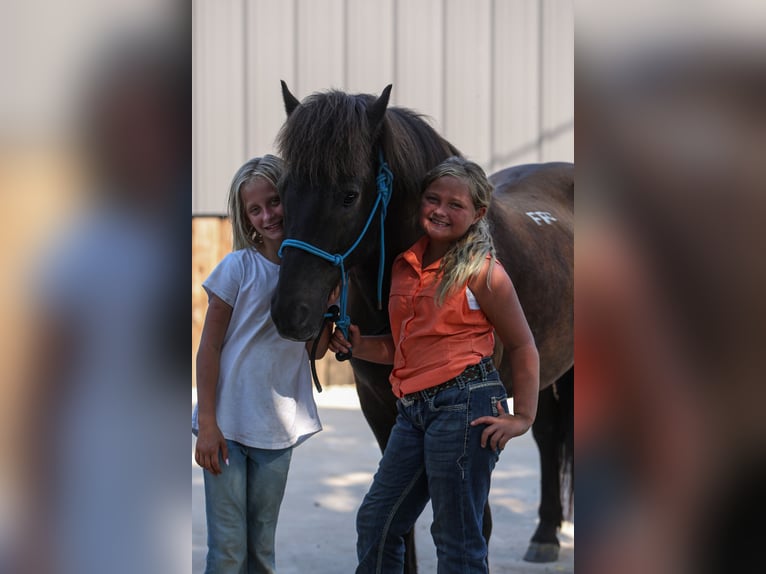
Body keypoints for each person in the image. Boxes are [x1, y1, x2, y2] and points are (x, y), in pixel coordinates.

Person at [330, 156, 540, 573]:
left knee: (456, 538)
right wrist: (358, 345)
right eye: (433, 198)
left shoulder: (484, 273)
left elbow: (523, 345)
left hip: (466, 406)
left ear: (477, 213)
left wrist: (524, 417)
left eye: (455, 205)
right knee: (377, 521)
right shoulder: (404, 266)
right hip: (413, 411)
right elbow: (403, 345)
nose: (440, 210)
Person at [193, 155, 333, 574]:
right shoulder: (238, 267)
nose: (268, 215)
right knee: (228, 551)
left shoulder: (314, 274)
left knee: (261, 552)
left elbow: (318, 350)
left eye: (274, 202)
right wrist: (209, 423)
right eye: (256, 209)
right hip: (227, 430)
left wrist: (332, 306)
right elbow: (209, 348)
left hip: (276, 431)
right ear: (246, 217)